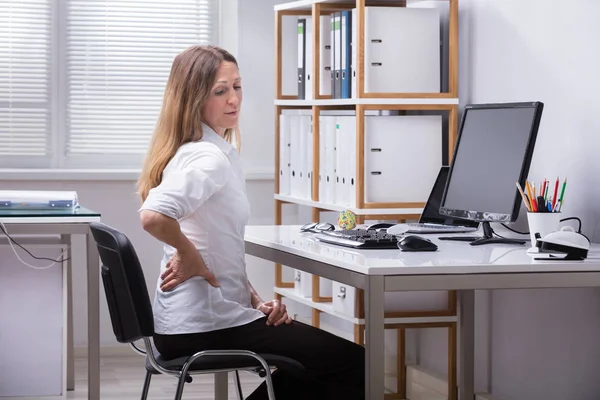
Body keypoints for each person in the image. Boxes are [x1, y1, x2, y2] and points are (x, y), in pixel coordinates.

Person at [136, 44, 365, 400]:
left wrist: (253, 301)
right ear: (194, 98)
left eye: (237, 87)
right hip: (204, 327)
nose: (233, 100)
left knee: (321, 362)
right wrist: (188, 254)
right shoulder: (208, 158)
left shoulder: (197, 149)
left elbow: (218, 243)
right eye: (220, 91)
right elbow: (152, 217)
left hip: (186, 322)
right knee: (355, 364)